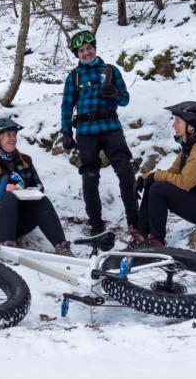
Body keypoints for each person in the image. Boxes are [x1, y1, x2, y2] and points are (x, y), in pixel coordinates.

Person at [59, 30, 139, 236]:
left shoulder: (110, 70)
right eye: (82, 50)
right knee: (90, 176)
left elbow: (126, 100)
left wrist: (116, 93)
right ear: (77, 54)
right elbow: (67, 105)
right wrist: (66, 132)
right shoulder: (74, 77)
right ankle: (96, 226)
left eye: (89, 48)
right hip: (86, 131)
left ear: (94, 48)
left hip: (111, 126)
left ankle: (135, 221)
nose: (86, 53)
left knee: (125, 171)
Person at [131, 101, 196, 247]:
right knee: (153, 184)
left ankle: (156, 242)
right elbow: (171, 173)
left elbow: (185, 182)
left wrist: (155, 177)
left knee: (158, 188)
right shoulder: (191, 146)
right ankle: (141, 236)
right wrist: (145, 178)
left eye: (178, 121)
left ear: (191, 126)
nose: (174, 125)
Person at [0, 117, 74, 256]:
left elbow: (39, 186)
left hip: (20, 223)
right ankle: (7, 247)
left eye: (14, 135)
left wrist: (32, 191)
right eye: (8, 135)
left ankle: (62, 247)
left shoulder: (25, 160)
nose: (13, 138)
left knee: (41, 199)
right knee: (8, 196)